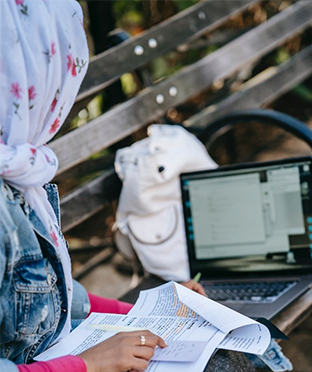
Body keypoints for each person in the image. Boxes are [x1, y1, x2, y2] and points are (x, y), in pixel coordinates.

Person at [0, 1, 254, 371]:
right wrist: (87, 364)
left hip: (61, 344)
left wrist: (147, 314)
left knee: (223, 350)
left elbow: (59, 301)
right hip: (59, 361)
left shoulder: (22, 173)